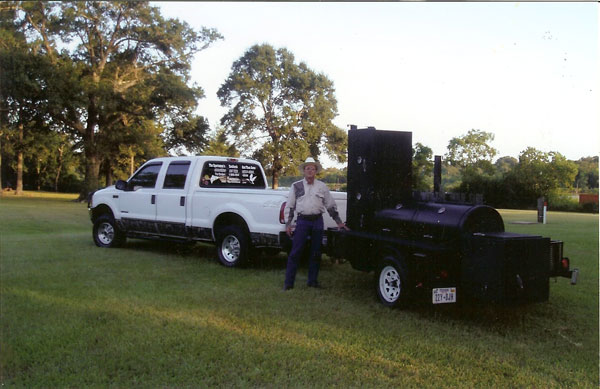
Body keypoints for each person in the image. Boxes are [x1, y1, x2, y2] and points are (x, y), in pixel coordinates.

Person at [283, 157, 348, 291]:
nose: (310, 171)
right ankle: (288, 284)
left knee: (316, 253)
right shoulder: (296, 186)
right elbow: (290, 206)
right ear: (304, 171)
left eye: (312, 168)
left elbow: (330, 205)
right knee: (295, 252)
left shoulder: (322, 186)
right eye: (308, 168)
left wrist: (339, 222)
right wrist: (288, 224)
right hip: (302, 221)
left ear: (316, 171)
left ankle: (312, 281)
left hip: (317, 221)